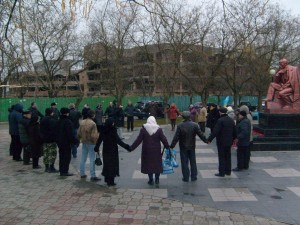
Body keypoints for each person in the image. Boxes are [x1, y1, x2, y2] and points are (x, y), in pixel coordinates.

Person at [130, 116, 170, 186]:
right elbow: (164, 139)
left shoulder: (143, 129)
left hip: (147, 150)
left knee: (149, 164)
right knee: (157, 164)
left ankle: (151, 180)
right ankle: (157, 179)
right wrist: (167, 147)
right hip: (156, 150)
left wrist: (131, 148)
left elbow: (138, 140)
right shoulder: (158, 129)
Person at [170, 111, 207, 182]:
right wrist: (206, 140)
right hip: (192, 146)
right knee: (193, 162)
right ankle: (194, 176)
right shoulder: (195, 125)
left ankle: (186, 177)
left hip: (183, 146)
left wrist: (172, 146)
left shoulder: (180, 125)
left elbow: (176, 137)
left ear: (183, 117)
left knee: (184, 162)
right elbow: (201, 134)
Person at [94, 118, 130, 186]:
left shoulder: (103, 129)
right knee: (112, 165)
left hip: (105, 149)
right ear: (111, 123)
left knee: (107, 164)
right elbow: (118, 141)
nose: (114, 123)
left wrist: (96, 147)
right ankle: (111, 182)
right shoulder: (113, 130)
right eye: (113, 122)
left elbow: (99, 139)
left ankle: (107, 179)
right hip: (112, 150)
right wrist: (127, 147)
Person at [207, 107, 236, 177]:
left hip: (221, 141)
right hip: (229, 142)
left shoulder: (220, 120)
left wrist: (209, 139)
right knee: (228, 156)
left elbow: (215, 131)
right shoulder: (231, 120)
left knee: (222, 157)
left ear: (220, 112)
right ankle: (228, 171)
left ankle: (222, 172)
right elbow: (235, 131)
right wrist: (234, 139)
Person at [77, 110, 101, 181]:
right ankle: (93, 175)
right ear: (93, 115)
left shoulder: (82, 122)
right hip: (91, 143)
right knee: (92, 159)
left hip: (84, 142)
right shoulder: (93, 123)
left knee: (83, 158)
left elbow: (78, 132)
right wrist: (96, 144)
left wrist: (79, 140)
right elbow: (94, 136)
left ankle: (82, 173)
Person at [56, 107, 78, 176]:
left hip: (60, 142)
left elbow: (55, 132)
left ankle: (61, 170)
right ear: (67, 113)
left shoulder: (58, 121)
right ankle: (64, 171)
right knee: (67, 157)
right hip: (66, 142)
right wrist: (75, 141)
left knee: (61, 156)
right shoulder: (68, 122)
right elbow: (70, 134)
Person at [40, 108, 59, 173]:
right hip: (51, 139)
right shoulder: (52, 120)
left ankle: (46, 167)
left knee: (46, 153)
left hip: (44, 139)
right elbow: (55, 130)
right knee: (52, 153)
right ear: (51, 113)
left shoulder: (42, 119)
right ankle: (52, 167)